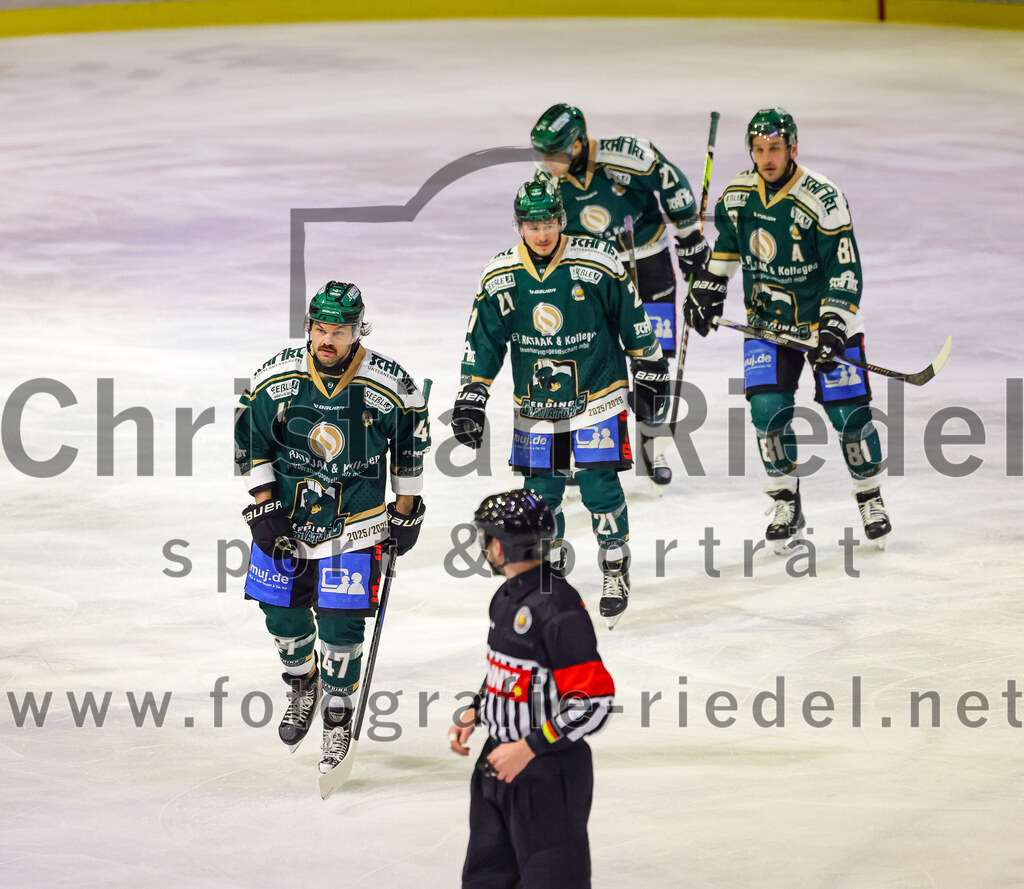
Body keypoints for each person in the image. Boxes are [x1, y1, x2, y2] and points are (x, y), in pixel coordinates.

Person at [450, 179, 669, 624]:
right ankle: (550, 570)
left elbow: (632, 316)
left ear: (561, 220)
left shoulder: (598, 261)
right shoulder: (500, 275)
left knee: (598, 487)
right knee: (540, 496)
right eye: (532, 225)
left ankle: (613, 564)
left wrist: (648, 367)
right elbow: (485, 339)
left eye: (548, 222)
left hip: (598, 394)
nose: (542, 233)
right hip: (536, 403)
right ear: (520, 226)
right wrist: (472, 394)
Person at [234, 281, 430, 776]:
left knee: (342, 626)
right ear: (309, 327)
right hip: (287, 519)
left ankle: (338, 715)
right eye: (321, 328)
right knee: (279, 614)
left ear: (357, 330)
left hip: (357, 524)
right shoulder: (276, 375)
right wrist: (263, 504)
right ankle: (303, 682)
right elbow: (251, 440)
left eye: (340, 330)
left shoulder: (391, 384)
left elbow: (409, 446)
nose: (329, 339)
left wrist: (405, 507)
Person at [685, 107, 891, 548]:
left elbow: (845, 268)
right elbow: (727, 251)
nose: (766, 158)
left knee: (849, 415)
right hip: (768, 325)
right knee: (766, 413)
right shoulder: (738, 195)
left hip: (826, 322)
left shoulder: (823, 197)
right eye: (759, 150)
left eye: (775, 148)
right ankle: (785, 497)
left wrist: (834, 326)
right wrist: (706, 288)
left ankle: (869, 494)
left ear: (793, 148)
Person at [530, 102, 710, 485]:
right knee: (588, 363)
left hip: (650, 265)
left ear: (577, 144)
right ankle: (593, 453)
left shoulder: (629, 155)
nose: (547, 162)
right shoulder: (546, 181)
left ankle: (651, 448)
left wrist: (690, 238)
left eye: (554, 153)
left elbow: (672, 181)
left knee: (652, 359)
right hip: (596, 277)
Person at [449, 489, 615, 889]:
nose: (482, 546)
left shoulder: (558, 608)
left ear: (501, 546)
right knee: (486, 877)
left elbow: (594, 702)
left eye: (486, 537)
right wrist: (478, 707)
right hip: (499, 763)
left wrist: (529, 747)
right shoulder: (506, 597)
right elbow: (510, 671)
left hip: (545, 774)